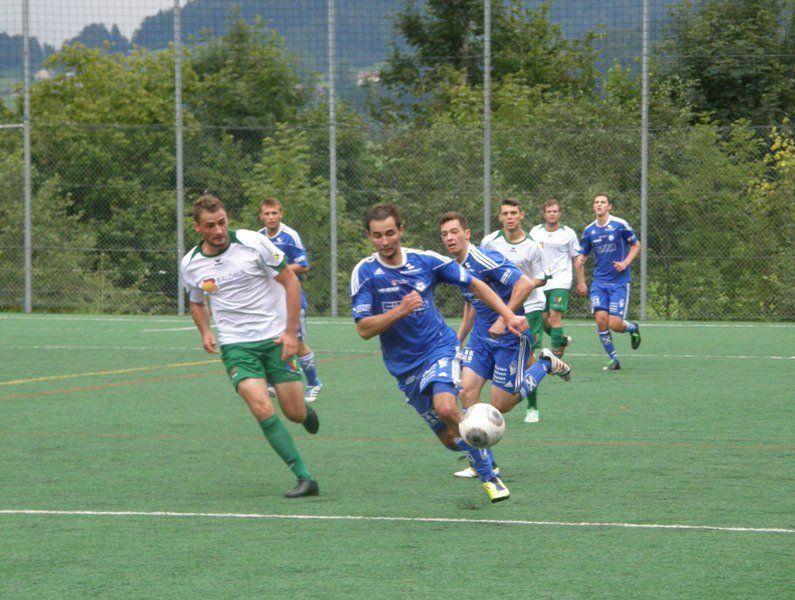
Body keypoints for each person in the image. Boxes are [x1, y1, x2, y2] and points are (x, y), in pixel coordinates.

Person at [350, 203, 528, 503]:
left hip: (439, 348)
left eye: (390, 233)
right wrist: (400, 310)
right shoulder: (365, 273)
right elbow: (364, 329)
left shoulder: (426, 261)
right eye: (377, 235)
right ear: (369, 236)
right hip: (403, 365)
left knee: (446, 408)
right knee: (449, 438)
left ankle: (490, 477)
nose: (385, 241)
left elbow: (476, 284)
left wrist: (508, 315)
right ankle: (477, 448)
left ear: (401, 231)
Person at [181, 194, 320, 498]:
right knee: (260, 406)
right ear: (197, 228)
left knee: (293, 412)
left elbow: (291, 282)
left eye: (222, 222)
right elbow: (197, 302)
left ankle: (304, 412)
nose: (218, 230)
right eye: (210, 226)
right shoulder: (190, 264)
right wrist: (205, 331)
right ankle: (304, 477)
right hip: (236, 346)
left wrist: (291, 333)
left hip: (275, 339)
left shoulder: (253, 243)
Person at [439, 212, 572, 478]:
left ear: (467, 234)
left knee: (501, 404)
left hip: (510, 337)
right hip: (481, 338)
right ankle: (484, 464)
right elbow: (471, 302)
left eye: (454, 232)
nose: (450, 238)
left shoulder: (484, 259)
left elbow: (524, 284)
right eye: (444, 234)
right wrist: (460, 337)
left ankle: (545, 364)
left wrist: (504, 318)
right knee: (466, 393)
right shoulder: (455, 267)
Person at [481, 198, 549, 424]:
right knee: (497, 351)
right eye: (505, 213)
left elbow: (543, 277)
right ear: (500, 217)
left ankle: (533, 406)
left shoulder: (532, 246)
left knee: (528, 360)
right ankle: (503, 393)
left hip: (529, 307)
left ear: (522, 215)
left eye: (513, 213)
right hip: (499, 307)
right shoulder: (489, 242)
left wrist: (520, 285)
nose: (509, 217)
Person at [259, 198, 323, 402]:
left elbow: (304, 265)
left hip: (291, 298)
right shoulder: (258, 237)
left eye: (274, 213)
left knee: (297, 343)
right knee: (270, 341)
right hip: (269, 300)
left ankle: (314, 383)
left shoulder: (290, 236)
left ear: (281, 214)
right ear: (261, 216)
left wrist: (277, 270)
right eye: (267, 214)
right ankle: (273, 383)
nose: (271, 217)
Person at [576, 193, 642, 370]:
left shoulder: (619, 225)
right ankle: (614, 359)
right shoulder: (589, 230)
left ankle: (633, 328)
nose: (599, 205)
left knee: (615, 324)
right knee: (601, 320)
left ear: (609, 206)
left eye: (603, 202)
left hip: (619, 282)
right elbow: (583, 254)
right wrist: (581, 263)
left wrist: (625, 263)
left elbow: (636, 245)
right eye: (596, 202)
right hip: (599, 282)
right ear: (593, 206)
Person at [530, 199, 585, 358]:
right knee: (543, 320)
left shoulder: (568, 233)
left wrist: (581, 281)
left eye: (555, 211)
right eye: (549, 211)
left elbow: (577, 258)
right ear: (544, 214)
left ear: (560, 214)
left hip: (561, 279)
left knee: (554, 315)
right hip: (540, 281)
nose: (552, 214)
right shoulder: (535, 232)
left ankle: (553, 355)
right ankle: (562, 340)